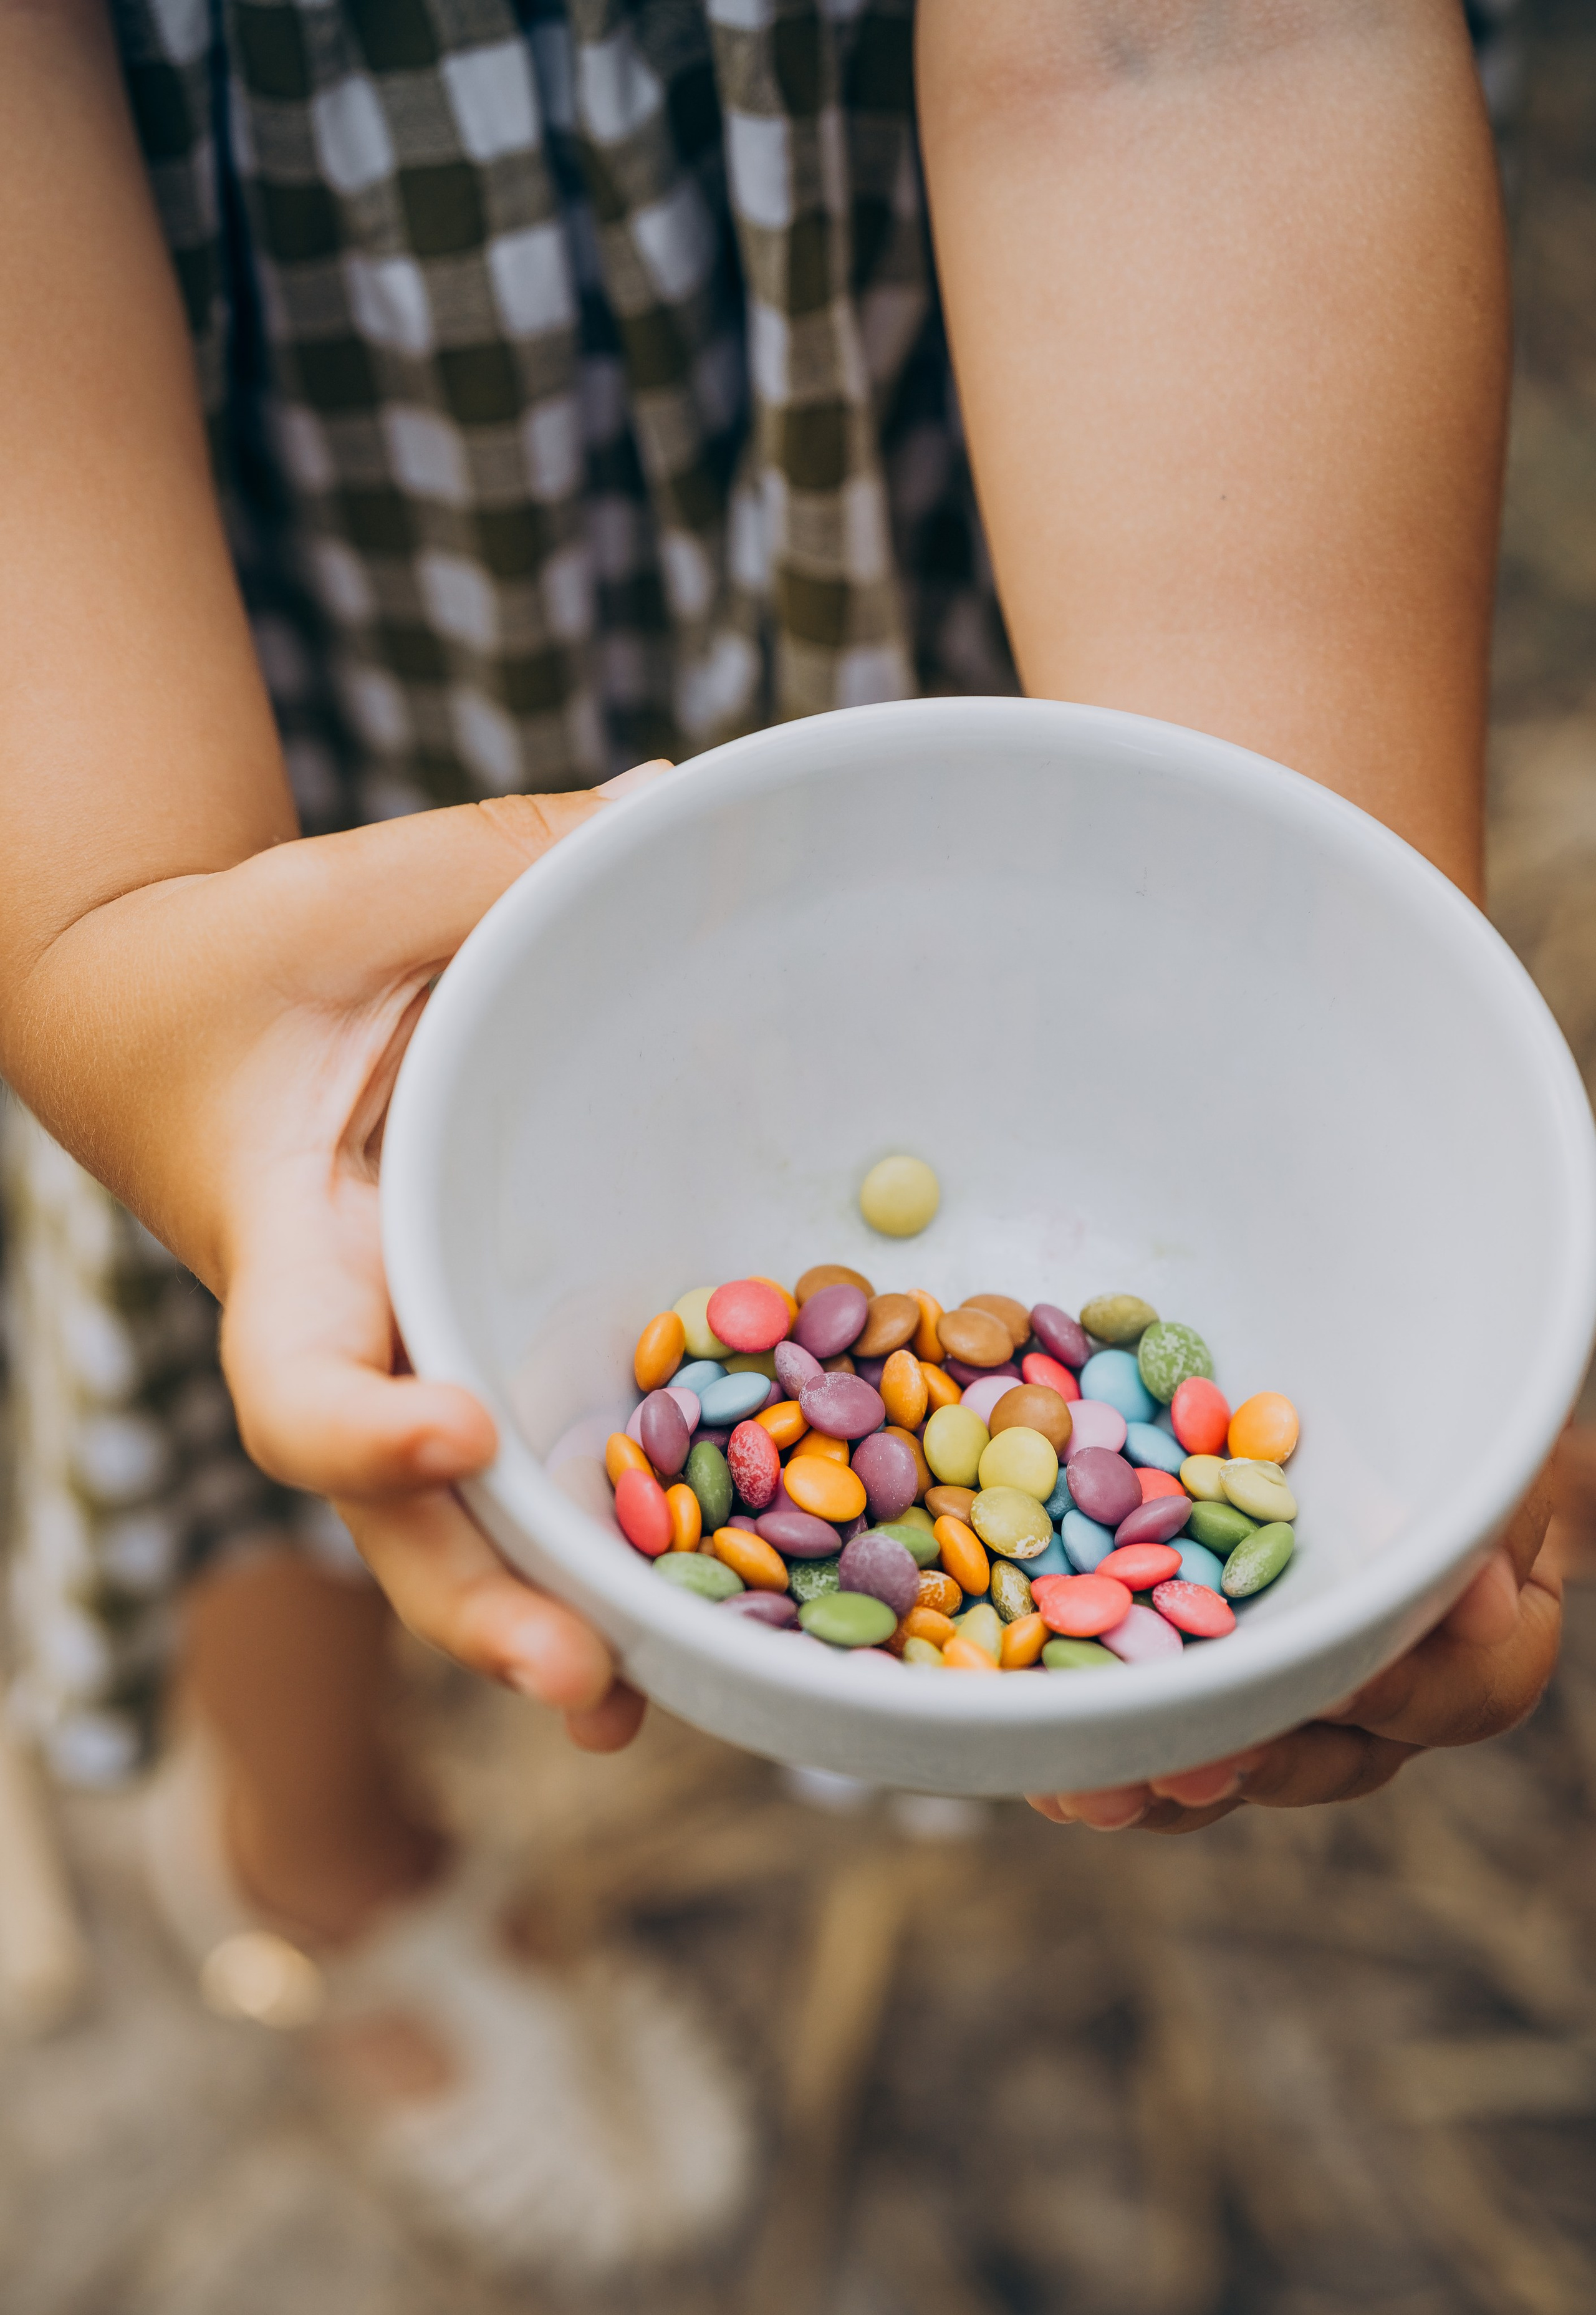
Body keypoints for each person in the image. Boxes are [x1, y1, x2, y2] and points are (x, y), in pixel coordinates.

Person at [0, 0, 1554, 2274]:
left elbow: (1190, 38)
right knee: (296, 1281)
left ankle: (324, 1855)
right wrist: (109, 944)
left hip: (996, 425)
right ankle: (313, 1864)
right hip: (228, 523)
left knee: (401, 1330)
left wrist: (1299, 961)